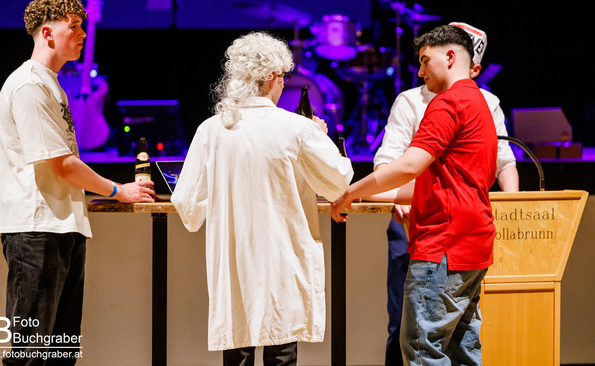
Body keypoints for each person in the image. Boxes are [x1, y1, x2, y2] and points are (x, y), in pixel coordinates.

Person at [171, 31, 353, 365]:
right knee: (281, 349)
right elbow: (337, 183)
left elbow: (186, 204)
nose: (283, 84)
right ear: (272, 76)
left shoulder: (211, 130)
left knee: (237, 348)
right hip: (282, 262)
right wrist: (321, 136)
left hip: (235, 265)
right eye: (283, 77)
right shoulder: (297, 128)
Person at [0, 0, 155, 365]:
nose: (83, 34)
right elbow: (62, 164)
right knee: (30, 352)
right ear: (48, 33)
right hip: (36, 229)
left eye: (83, 26)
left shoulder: (51, 84)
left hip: (60, 227)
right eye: (75, 26)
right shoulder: (30, 85)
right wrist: (118, 190)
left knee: (61, 353)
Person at [331, 24, 497, 364]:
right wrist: (363, 195)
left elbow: (409, 166)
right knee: (461, 350)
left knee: (422, 349)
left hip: (444, 245)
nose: (420, 72)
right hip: (473, 241)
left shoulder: (448, 102)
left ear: (449, 57)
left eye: (424, 60)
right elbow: (438, 184)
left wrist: (352, 190)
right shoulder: (481, 102)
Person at [373, 22, 519, 365]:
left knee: (423, 341)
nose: (422, 70)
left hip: (446, 231)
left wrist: (509, 209)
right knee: (418, 327)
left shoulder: (463, 101)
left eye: (426, 61)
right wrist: (390, 197)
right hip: (421, 218)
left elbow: (503, 160)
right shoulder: (412, 100)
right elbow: (390, 160)